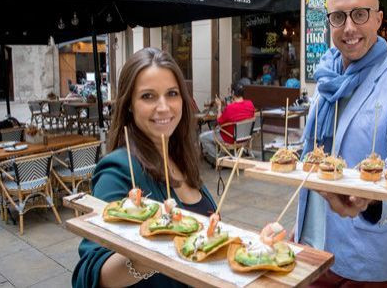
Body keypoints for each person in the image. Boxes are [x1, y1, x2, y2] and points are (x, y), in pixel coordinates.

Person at [295, 0, 387, 287]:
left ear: (378, 19)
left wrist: (368, 199)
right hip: (310, 242)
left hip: (366, 255)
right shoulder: (327, 80)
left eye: (359, 14)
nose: (348, 28)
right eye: (338, 17)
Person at [73, 47, 217, 288]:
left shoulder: (182, 160)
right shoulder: (116, 171)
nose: (163, 107)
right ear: (129, 104)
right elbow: (91, 274)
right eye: (148, 96)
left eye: (172, 93)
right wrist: (148, 256)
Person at [199, 83, 256, 164]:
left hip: (229, 138)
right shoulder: (250, 104)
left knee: (202, 137)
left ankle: (221, 159)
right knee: (218, 129)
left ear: (233, 93)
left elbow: (219, 121)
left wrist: (219, 107)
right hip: (245, 138)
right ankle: (224, 154)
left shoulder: (230, 108)